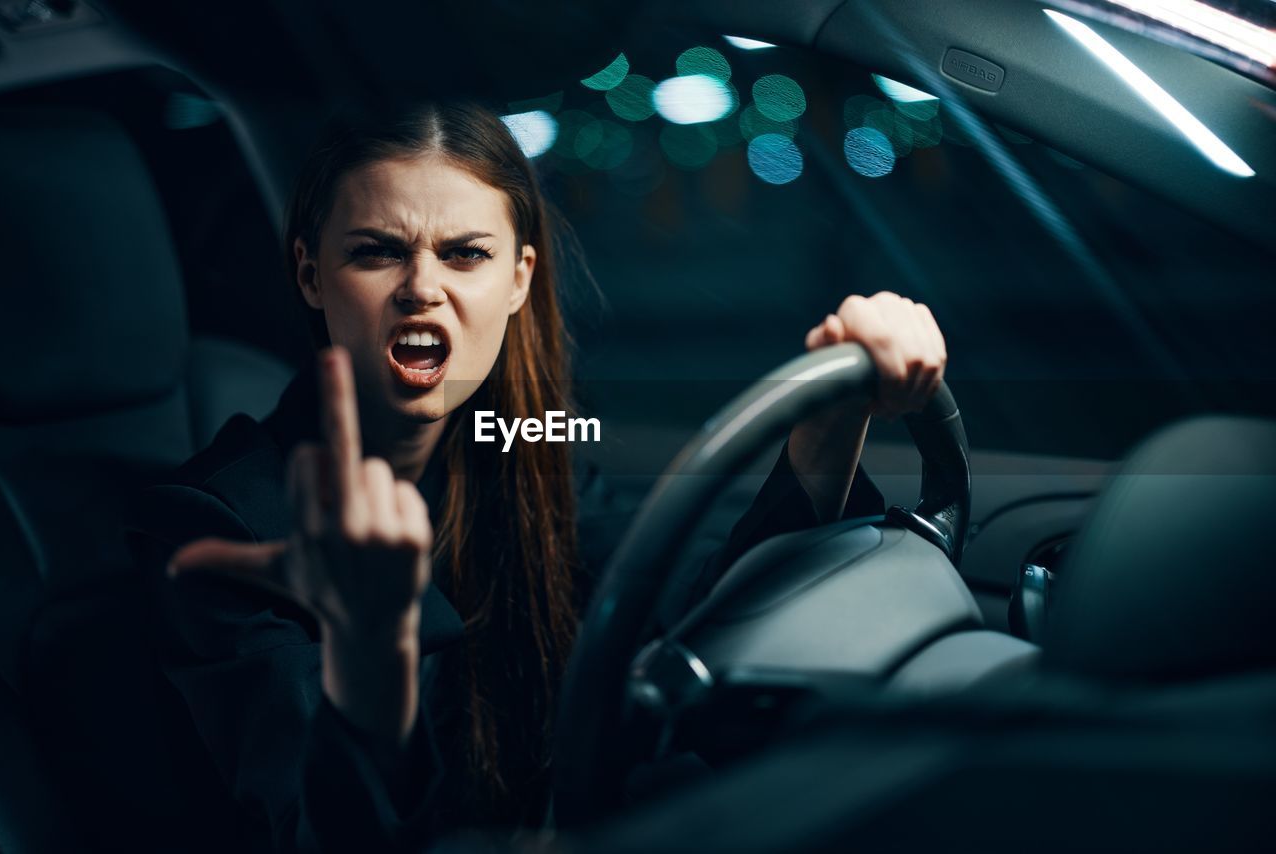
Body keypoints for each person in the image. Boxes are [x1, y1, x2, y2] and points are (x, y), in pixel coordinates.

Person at [126, 101, 947, 852]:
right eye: (377, 252)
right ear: (310, 274)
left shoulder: (516, 451)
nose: (422, 290)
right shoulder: (218, 524)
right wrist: (370, 656)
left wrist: (828, 428)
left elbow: (687, 612)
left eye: (465, 255)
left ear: (518, 279)